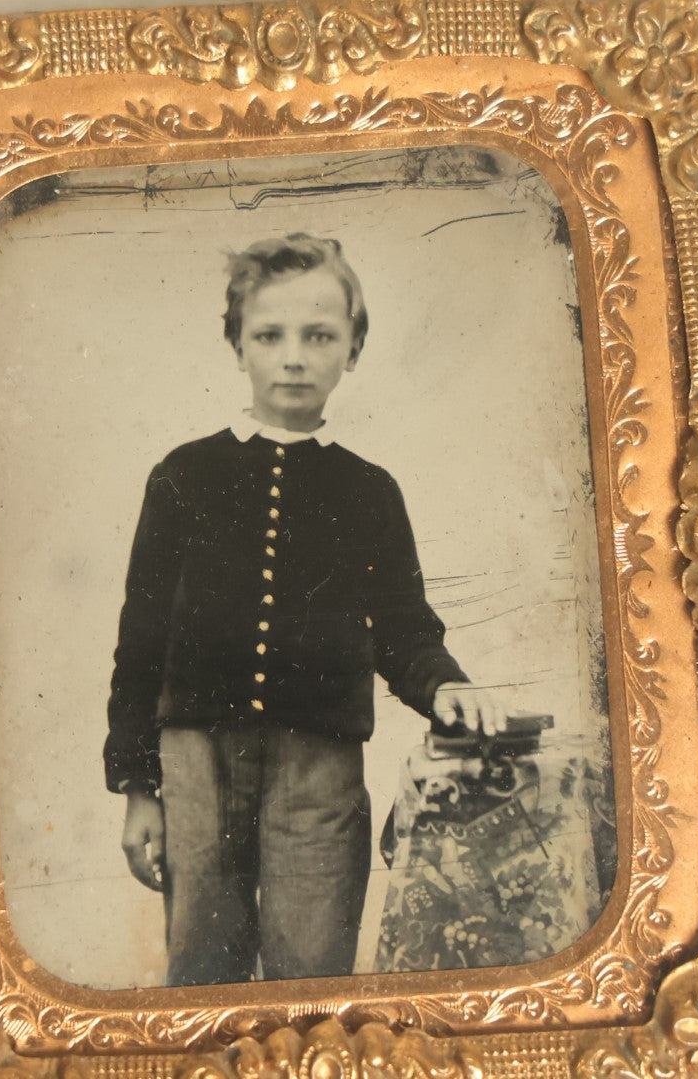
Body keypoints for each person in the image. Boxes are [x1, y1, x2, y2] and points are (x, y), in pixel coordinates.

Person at [104, 233, 504, 986]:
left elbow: (404, 626)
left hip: (319, 772)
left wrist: (448, 684)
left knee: (314, 979)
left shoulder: (369, 490)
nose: (294, 357)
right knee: (202, 977)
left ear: (352, 349)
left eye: (320, 336)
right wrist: (138, 791)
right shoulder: (184, 476)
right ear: (238, 345)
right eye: (270, 335)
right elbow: (141, 642)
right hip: (194, 768)